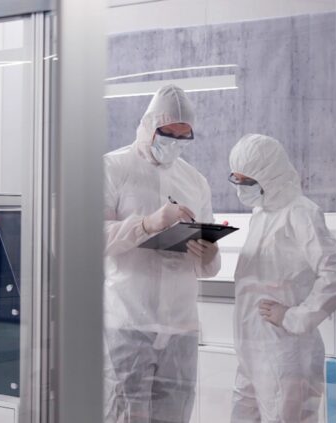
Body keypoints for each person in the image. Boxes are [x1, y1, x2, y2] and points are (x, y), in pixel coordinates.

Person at [103, 84, 221, 423]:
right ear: (150, 126)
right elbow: (90, 238)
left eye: (184, 137)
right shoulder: (114, 167)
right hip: (129, 319)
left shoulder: (195, 181)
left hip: (180, 324)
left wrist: (208, 254)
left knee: (175, 415)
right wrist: (148, 223)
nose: (175, 143)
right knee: (124, 414)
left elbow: (209, 266)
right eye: (169, 133)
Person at [228, 134, 336, 423]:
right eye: (236, 180)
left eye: (247, 182)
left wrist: (294, 317)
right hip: (251, 352)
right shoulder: (261, 214)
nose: (241, 189)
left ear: (270, 176)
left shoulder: (300, 212)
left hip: (286, 353)